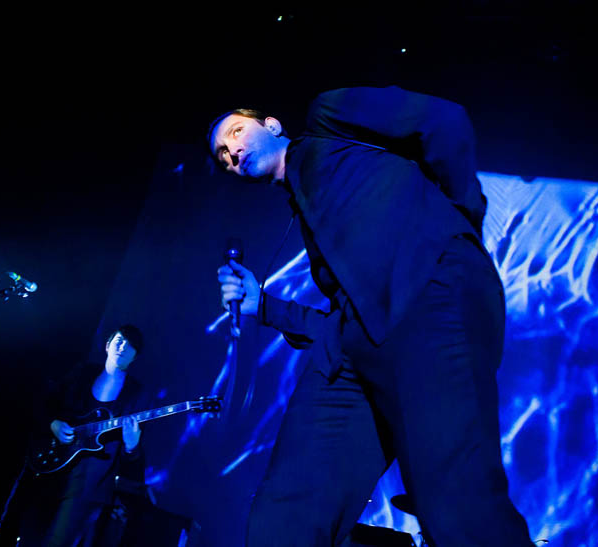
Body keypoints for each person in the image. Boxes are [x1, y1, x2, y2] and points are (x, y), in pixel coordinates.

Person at [211, 86, 535, 546]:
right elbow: (343, 321)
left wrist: (458, 226)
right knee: (286, 514)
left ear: (272, 125)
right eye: (223, 155)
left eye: (236, 133)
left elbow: (443, 120)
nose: (231, 152)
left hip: (430, 299)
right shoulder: (306, 217)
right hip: (354, 351)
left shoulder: (328, 120)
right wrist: (264, 307)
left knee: (457, 503)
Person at [13, 324, 149, 546]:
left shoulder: (137, 394)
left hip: (88, 486)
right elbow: (43, 404)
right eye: (119, 340)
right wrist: (53, 423)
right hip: (50, 469)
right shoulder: (82, 373)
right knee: (28, 538)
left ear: (136, 356)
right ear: (107, 345)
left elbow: (133, 462)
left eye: (131, 345)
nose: (123, 347)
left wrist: (132, 446)